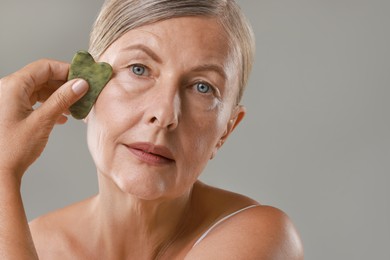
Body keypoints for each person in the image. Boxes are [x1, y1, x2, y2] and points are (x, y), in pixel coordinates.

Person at [0, 0, 303, 259]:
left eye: (202, 87)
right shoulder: (30, 242)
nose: (164, 114)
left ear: (226, 131)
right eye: (139, 69)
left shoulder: (259, 236)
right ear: (83, 88)